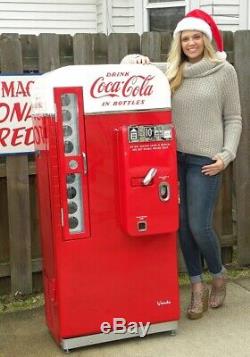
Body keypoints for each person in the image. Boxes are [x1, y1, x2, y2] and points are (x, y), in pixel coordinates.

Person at [121, 9, 242, 320]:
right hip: (173, 160)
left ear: (206, 39)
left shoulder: (223, 70)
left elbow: (234, 118)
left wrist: (225, 155)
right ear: (179, 42)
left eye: (196, 36)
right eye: (185, 38)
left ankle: (218, 274)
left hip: (205, 160)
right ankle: (196, 287)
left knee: (199, 226)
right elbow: (127, 67)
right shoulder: (172, 70)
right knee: (181, 227)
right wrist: (136, 59)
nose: (191, 43)